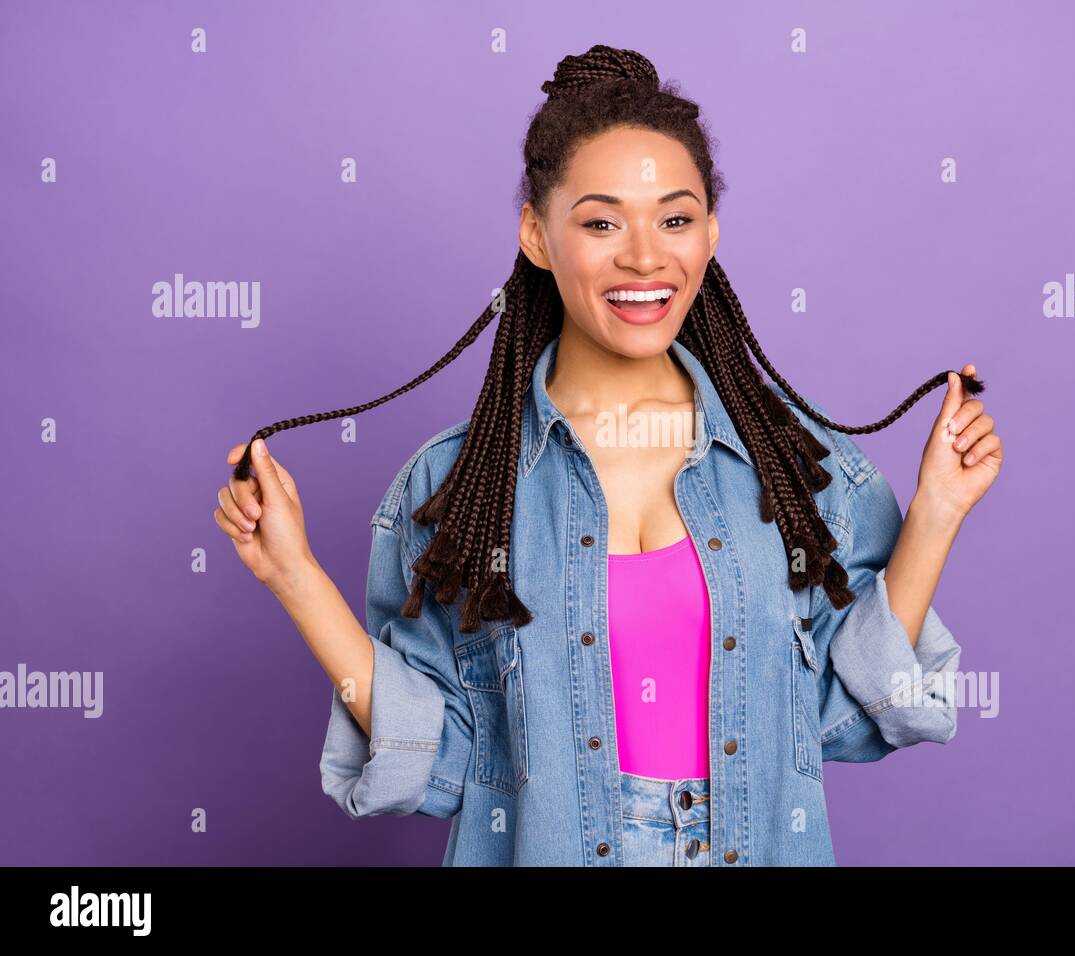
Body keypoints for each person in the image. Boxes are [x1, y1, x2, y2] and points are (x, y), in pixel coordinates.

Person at [213, 45, 1003, 866]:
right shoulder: (457, 489)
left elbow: (849, 711)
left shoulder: (797, 469)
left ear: (711, 233)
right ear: (536, 235)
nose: (643, 257)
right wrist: (294, 577)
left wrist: (937, 514)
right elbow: (446, 767)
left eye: (675, 218)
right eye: (600, 221)